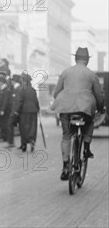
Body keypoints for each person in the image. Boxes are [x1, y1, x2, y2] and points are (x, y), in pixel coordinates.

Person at [52, 47, 104, 181]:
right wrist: (100, 108)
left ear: (75, 58)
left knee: (66, 136)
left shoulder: (66, 72)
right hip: (84, 108)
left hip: (66, 109)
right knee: (89, 123)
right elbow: (99, 95)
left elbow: (56, 92)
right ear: (87, 60)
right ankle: (86, 148)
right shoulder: (91, 75)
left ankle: (65, 166)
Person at [13, 73, 40, 152]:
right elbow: (36, 101)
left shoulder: (21, 89)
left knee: (24, 128)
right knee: (32, 127)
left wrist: (16, 111)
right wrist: (38, 109)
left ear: (24, 81)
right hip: (33, 111)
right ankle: (32, 140)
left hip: (24, 111)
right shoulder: (33, 90)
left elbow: (19, 102)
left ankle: (24, 144)